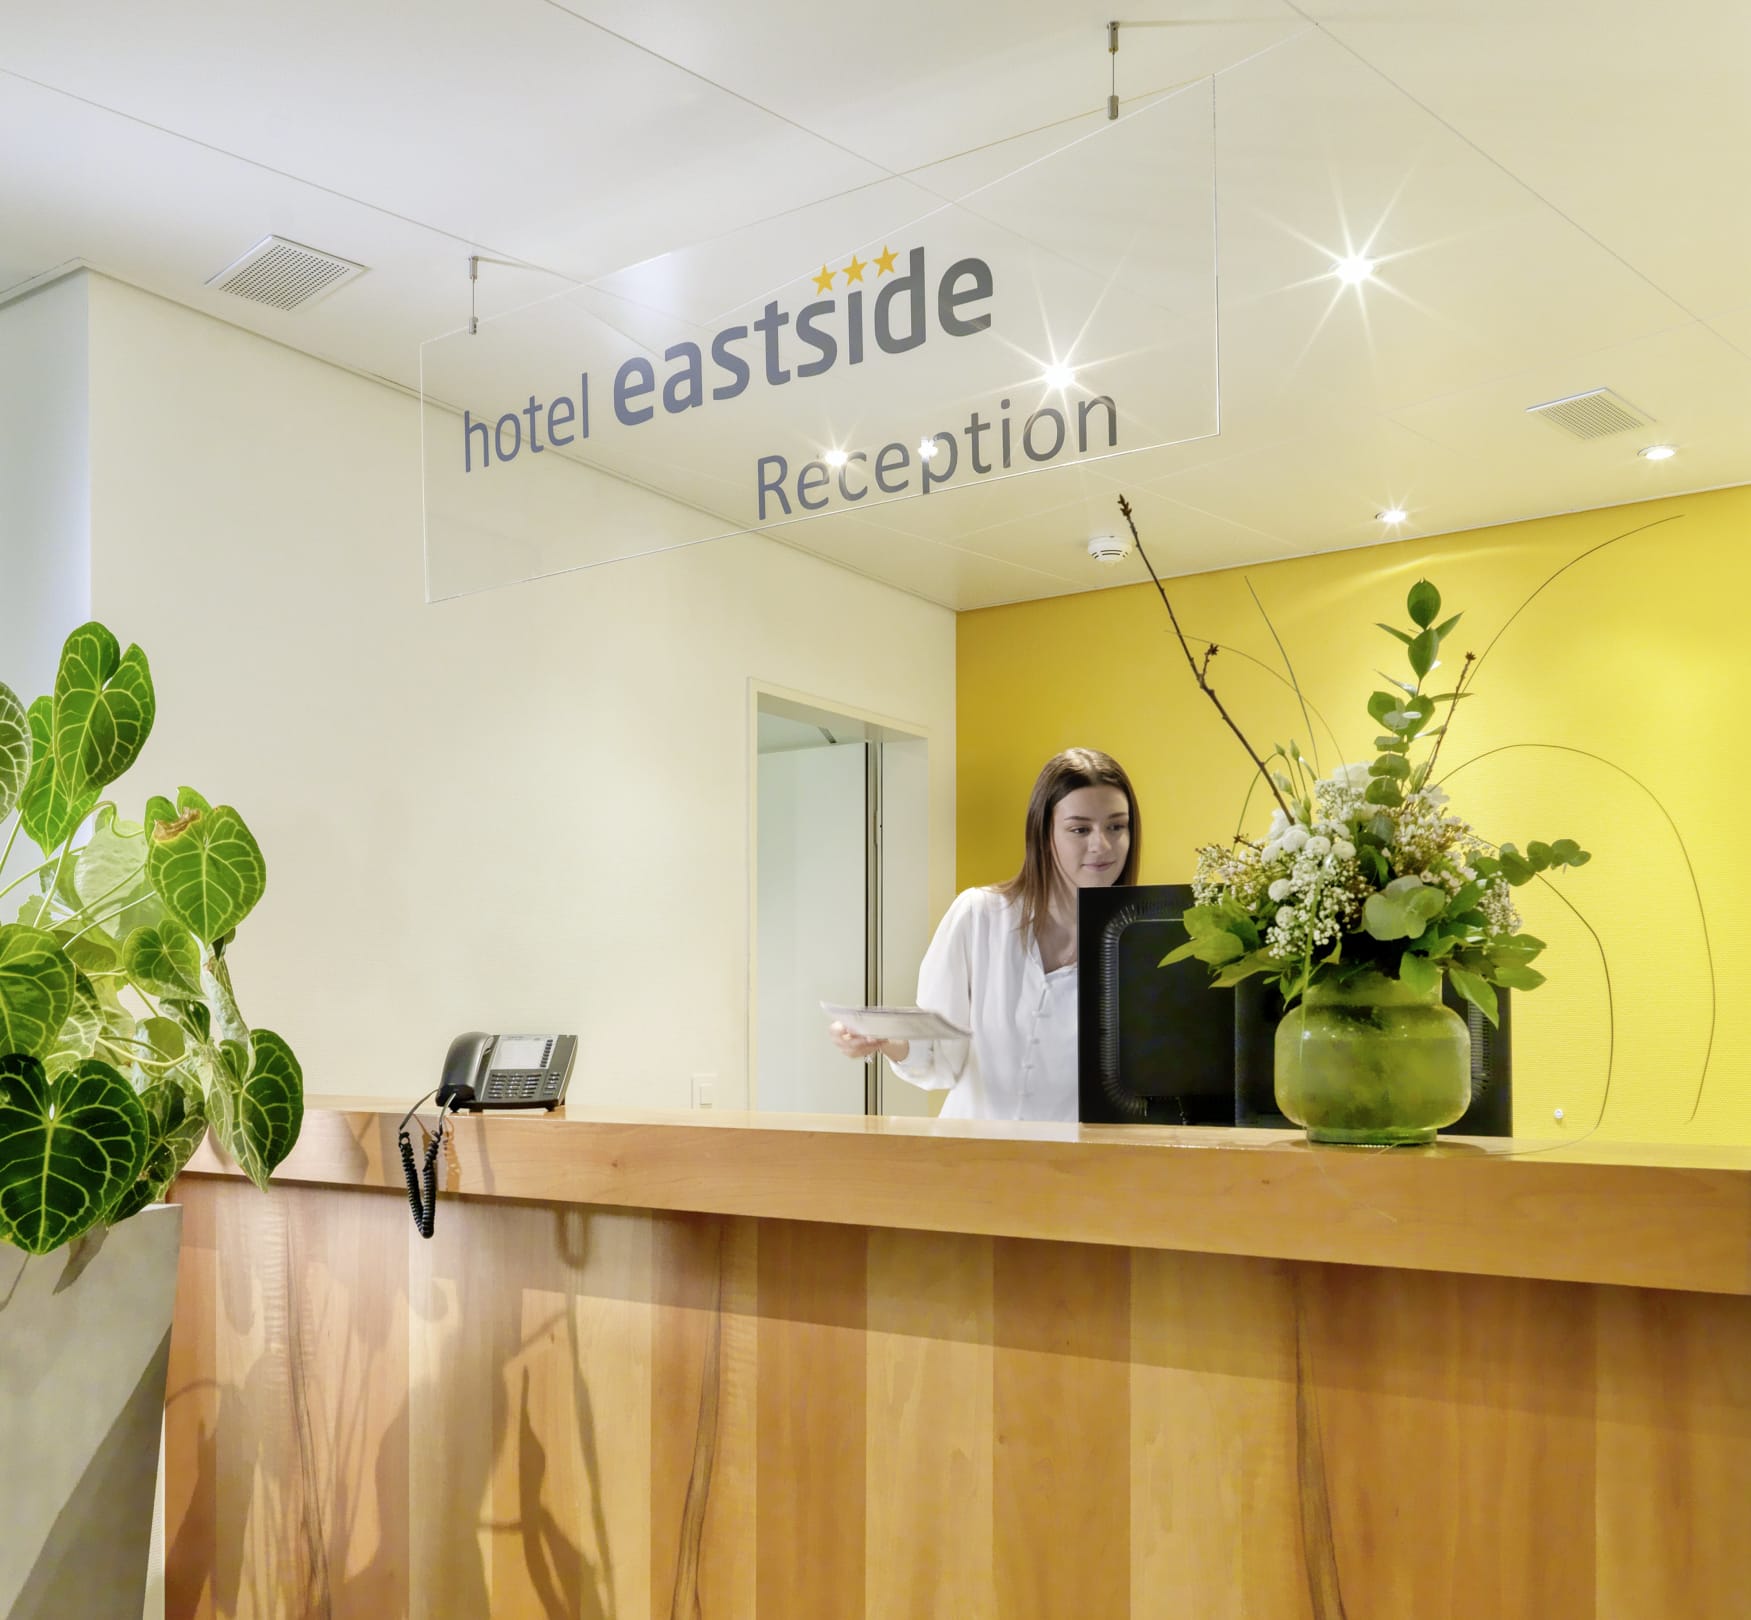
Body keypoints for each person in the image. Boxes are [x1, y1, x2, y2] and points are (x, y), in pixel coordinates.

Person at [829, 748, 1140, 1121]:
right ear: (1044, 834)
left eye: (1116, 827)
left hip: (1074, 1156)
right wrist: (884, 1040)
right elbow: (941, 1059)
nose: (1101, 845)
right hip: (968, 1152)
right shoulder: (977, 916)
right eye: (1080, 829)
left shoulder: (1143, 948)